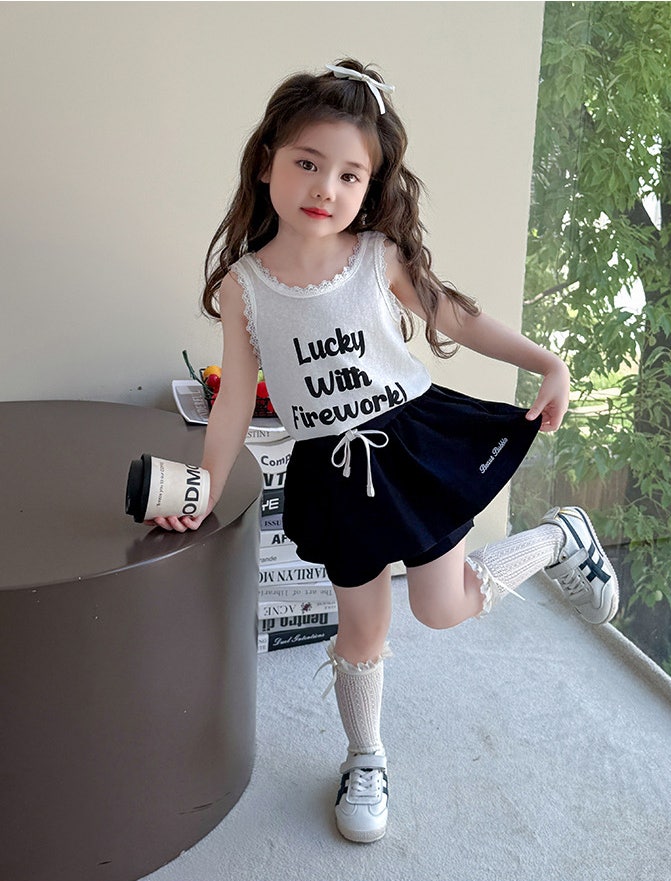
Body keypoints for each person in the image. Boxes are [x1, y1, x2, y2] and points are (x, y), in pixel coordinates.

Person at [152, 59, 619, 843]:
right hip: (331, 469)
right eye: (307, 163)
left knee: (440, 606)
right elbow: (234, 398)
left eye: (349, 175)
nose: (324, 188)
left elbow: (455, 317)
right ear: (267, 161)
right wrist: (202, 486)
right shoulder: (245, 285)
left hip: (409, 444)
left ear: (370, 187)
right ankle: (365, 756)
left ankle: (556, 537)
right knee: (362, 628)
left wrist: (547, 361)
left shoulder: (375, 255)